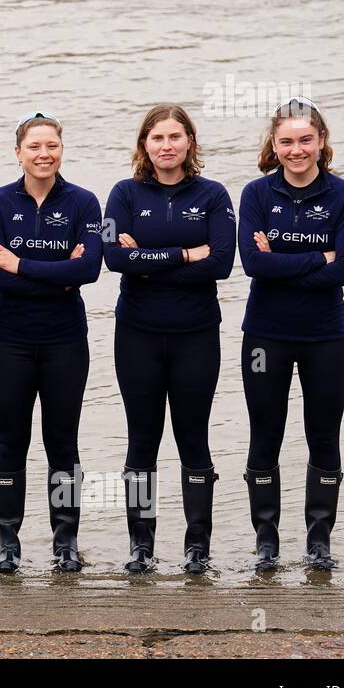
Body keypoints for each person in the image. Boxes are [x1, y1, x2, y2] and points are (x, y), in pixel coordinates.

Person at [102, 104, 236, 573]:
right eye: (157, 138)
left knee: (193, 439)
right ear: (144, 145)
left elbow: (220, 264)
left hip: (196, 335)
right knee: (142, 442)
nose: (167, 146)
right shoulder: (123, 194)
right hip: (137, 334)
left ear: (190, 143)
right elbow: (115, 261)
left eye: (175, 137)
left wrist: (151, 258)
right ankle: (141, 546)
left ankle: (197, 548)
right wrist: (185, 254)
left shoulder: (214, 195)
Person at [237, 96, 344, 571]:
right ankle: (266, 541)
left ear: (321, 141)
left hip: (326, 335)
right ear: (274, 143)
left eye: (305, 140)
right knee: (264, 435)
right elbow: (253, 264)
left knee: (323, 436)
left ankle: (318, 541)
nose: (296, 150)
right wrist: (320, 257)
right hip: (265, 335)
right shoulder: (256, 195)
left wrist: (282, 262)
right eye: (287, 141)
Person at [0, 112, 102, 572]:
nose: (43, 154)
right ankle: (7, 544)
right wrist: (57, 274)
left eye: (51, 146)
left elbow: (88, 271)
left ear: (61, 150)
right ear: (18, 153)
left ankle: (65, 542)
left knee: (62, 444)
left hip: (65, 341)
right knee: (9, 442)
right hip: (8, 340)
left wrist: (21, 264)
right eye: (34, 147)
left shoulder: (84, 204)